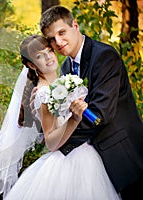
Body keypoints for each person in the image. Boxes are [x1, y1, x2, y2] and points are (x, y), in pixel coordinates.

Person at [31, 5, 143, 199]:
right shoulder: (66, 66)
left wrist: (62, 144)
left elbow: (100, 115)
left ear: (75, 25)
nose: (58, 41)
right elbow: (67, 113)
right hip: (91, 160)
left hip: (121, 156)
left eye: (62, 32)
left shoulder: (104, 57)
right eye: (51, 38)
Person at [0, 34, 120, 199]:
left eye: (49, 51)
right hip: (68, 161)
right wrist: (74, 119)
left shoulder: (61, 81)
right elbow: (50, 141)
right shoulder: (43, 93)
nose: (48, 57)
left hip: (85, 153)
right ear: (31, 64)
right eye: (39, 56)